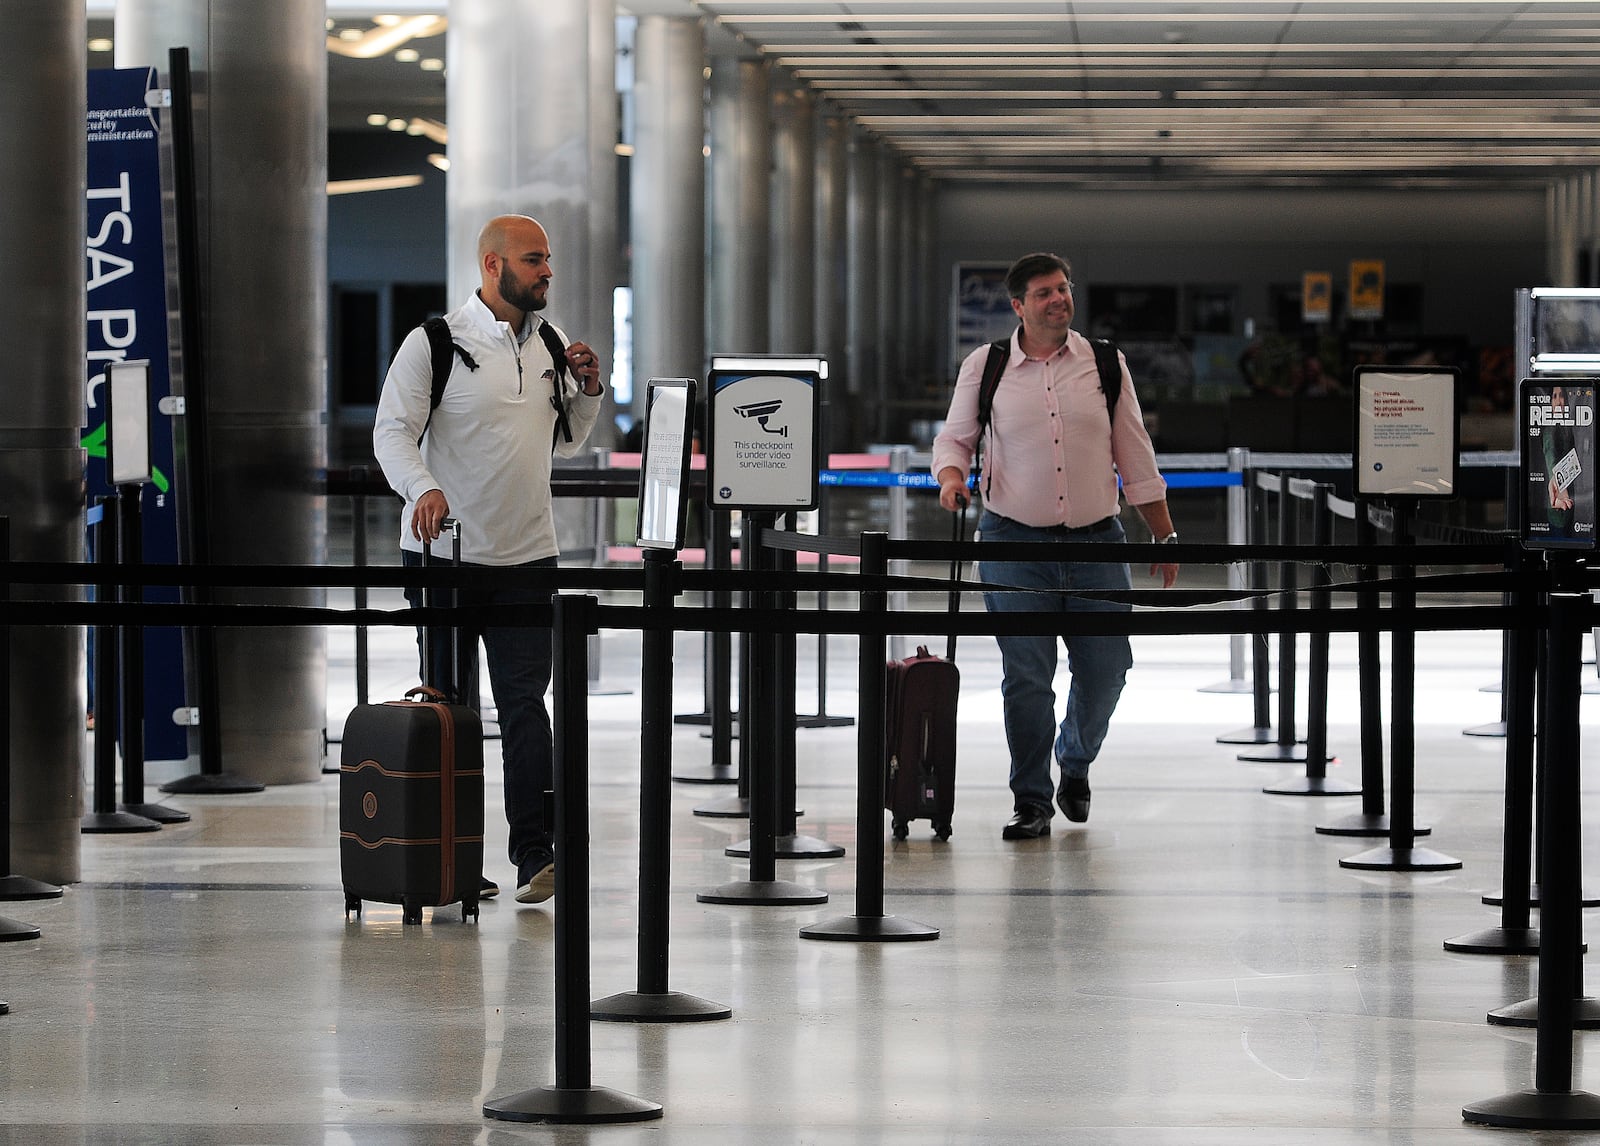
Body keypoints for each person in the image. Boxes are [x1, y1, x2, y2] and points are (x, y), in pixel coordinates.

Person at [373, 214, 605, 904]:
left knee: (526, 708)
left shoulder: (553, 344)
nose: (548, 272)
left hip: (530, 555)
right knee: (452, 711)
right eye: (535, 260)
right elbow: (392, 433)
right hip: (445, 558)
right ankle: (453, 860)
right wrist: (425, 487)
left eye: (549, 260)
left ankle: (536, 855)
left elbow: (567, 443)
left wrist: (588, 393)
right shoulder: (435, 343)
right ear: (493, 267)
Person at [931, 252, 1179, 840]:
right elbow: (956, 436)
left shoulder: (1105, 364)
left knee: (1107, 669)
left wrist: (1163, 533)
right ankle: (1032, 799)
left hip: (1099, 544)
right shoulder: (986, 366)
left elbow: (1135, 454)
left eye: (1063, 289)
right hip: (1013, 543)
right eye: (1044, 292)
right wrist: (950, 477)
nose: (1058, 299)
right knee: (1027, 677)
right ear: (1019, 306)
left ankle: (1074, 759)